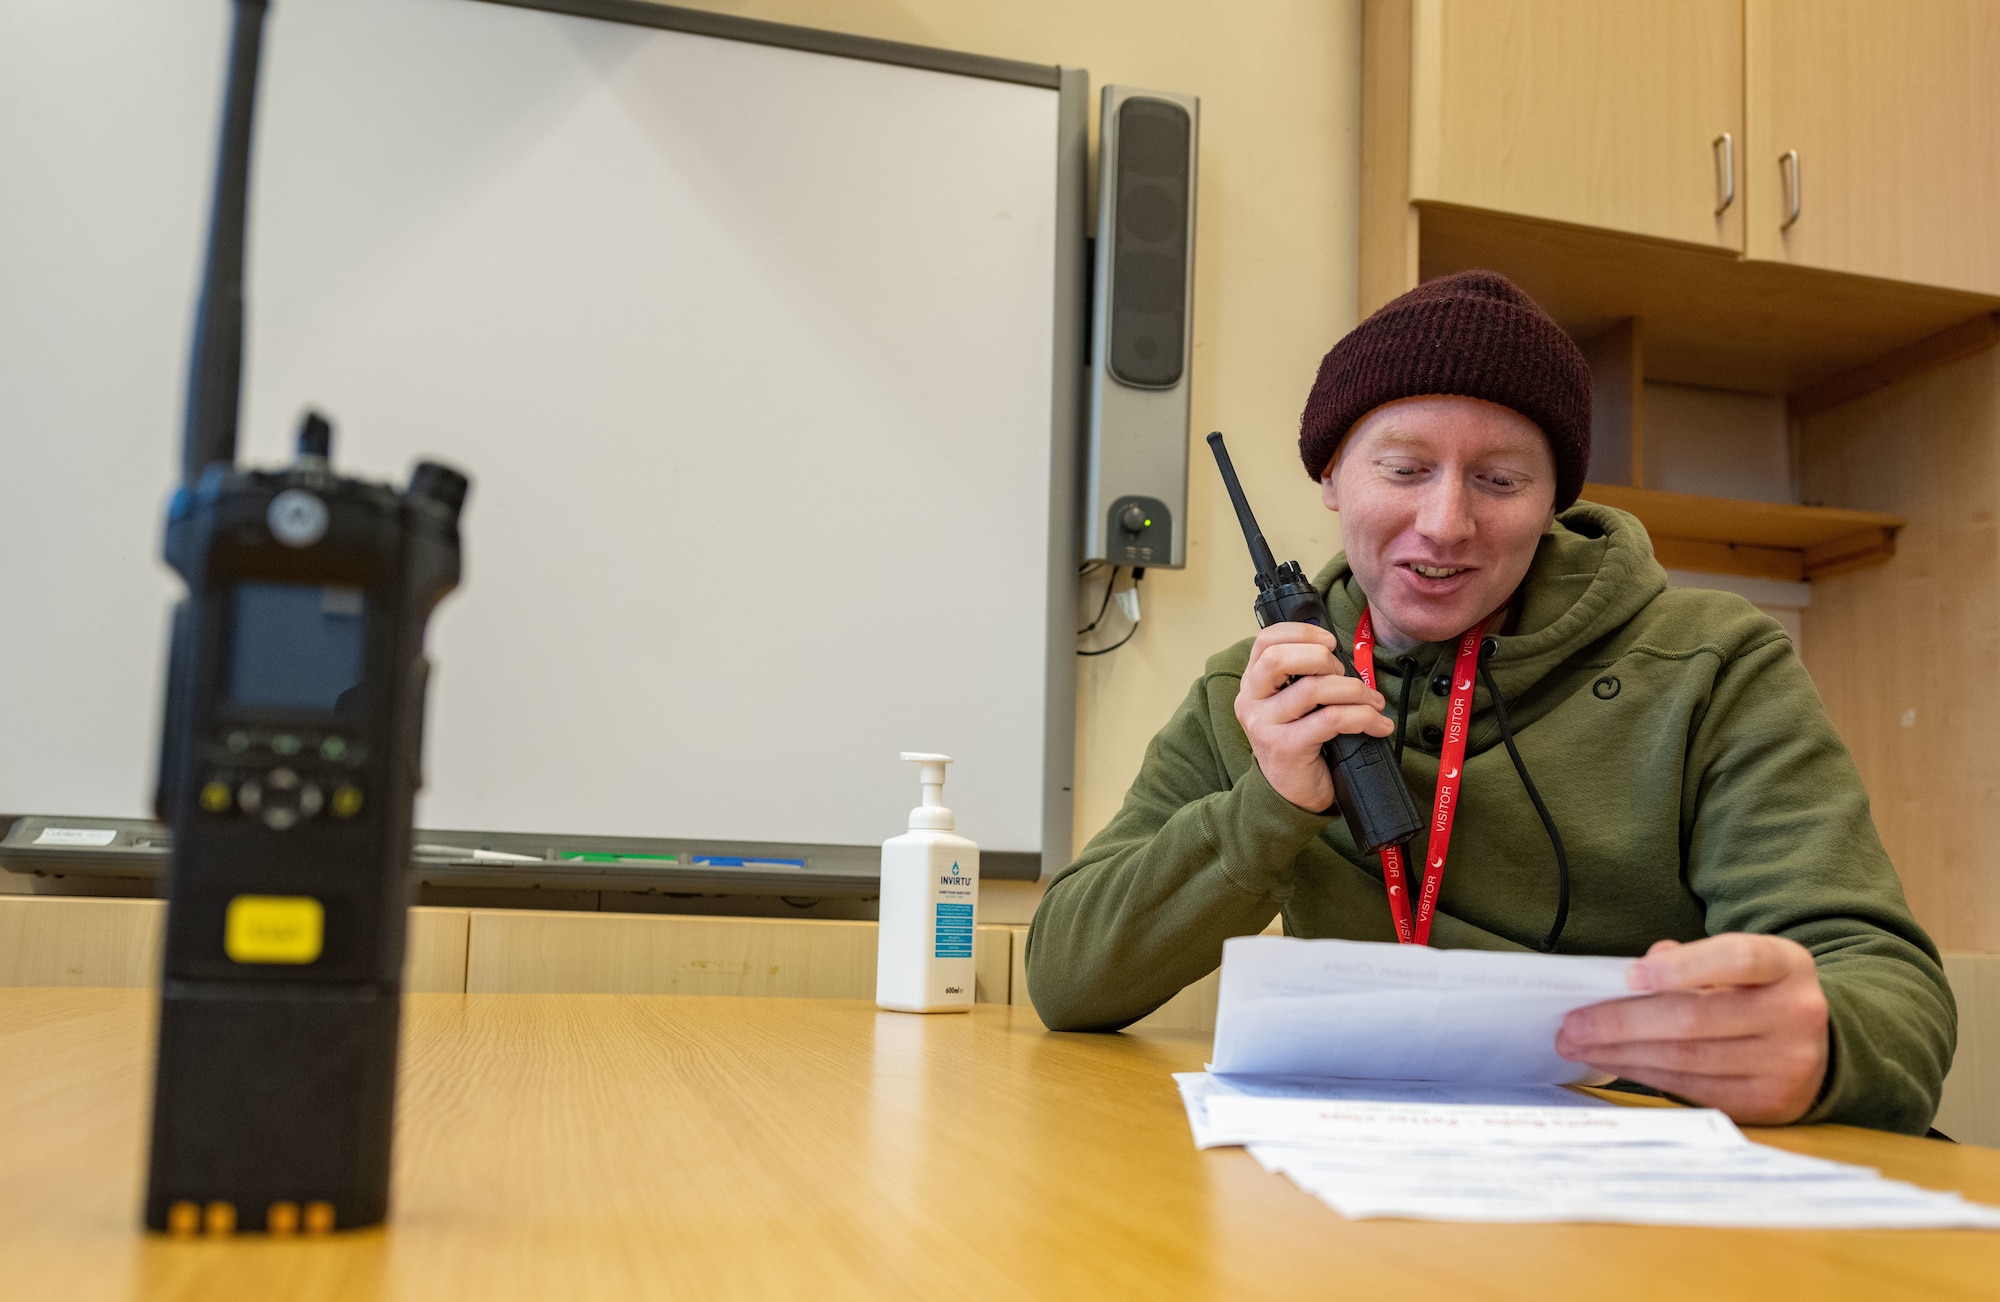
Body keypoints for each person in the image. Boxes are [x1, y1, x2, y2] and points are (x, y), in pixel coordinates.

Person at [1025, 271, 1954, 1134]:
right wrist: (1270, 806)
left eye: (1501, 481)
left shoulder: (1715, 666)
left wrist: (1825, 1046)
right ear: (1331, 477)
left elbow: (1887, 990)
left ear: (1553, 499)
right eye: (1403, 470)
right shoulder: (1263, 690)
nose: (1446, 524)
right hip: (1358, 1165)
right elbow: (1068, 979)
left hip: (1632, 1188)